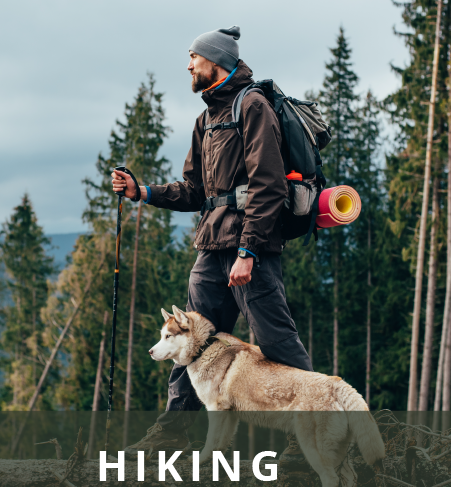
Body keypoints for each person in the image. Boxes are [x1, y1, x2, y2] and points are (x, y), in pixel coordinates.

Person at [112, 26, 313, 455]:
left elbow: (268, 185)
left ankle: (306, 432)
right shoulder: (206, 118)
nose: (188, 65)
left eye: (193, 57)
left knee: (275, 340)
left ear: (215, 61)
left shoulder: (252, 106)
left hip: (249, 251)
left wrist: (248, 250)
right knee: (191, 342)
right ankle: (172, 431)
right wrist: (141, 192)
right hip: (210, 250)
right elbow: (195, 190)